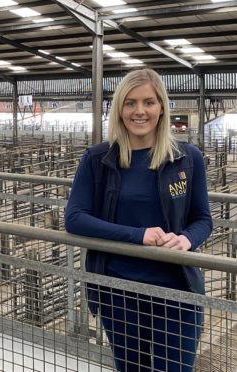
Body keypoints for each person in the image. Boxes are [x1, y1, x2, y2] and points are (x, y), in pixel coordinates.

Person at [65, 69, 212, 371]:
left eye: (148, 102)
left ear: (161, 107)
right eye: (130, 103)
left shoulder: (187, 157)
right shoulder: (98, 159)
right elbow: (75, 218)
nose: (139, 111)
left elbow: (203, 219)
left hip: (176, 290)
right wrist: (137, 235)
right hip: (118, 290)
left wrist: (186, 239)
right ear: (120, 108)